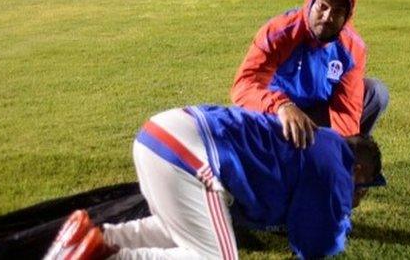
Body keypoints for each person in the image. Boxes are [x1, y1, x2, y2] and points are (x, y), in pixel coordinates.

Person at [43, 105, 382, 260]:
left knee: (187, 231)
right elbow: (317, 243)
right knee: (217, 257)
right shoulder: (337, 169)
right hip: (189, 154)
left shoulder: (324, 145)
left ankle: (97, 239)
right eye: (364, 190)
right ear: (360, 172)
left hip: (161, 135)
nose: (360, 199)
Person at [231, 0, 388, 145]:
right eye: (323, 6)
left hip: (318, 113)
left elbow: (346, 110)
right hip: (275, 114)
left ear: (347, 17)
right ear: (311, 2)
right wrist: (281, 106)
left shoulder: (353, 48)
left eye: (338, 11)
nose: (328, 17)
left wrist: (341, 153)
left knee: (376, 92)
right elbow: (243, 87)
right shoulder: (279, 32)